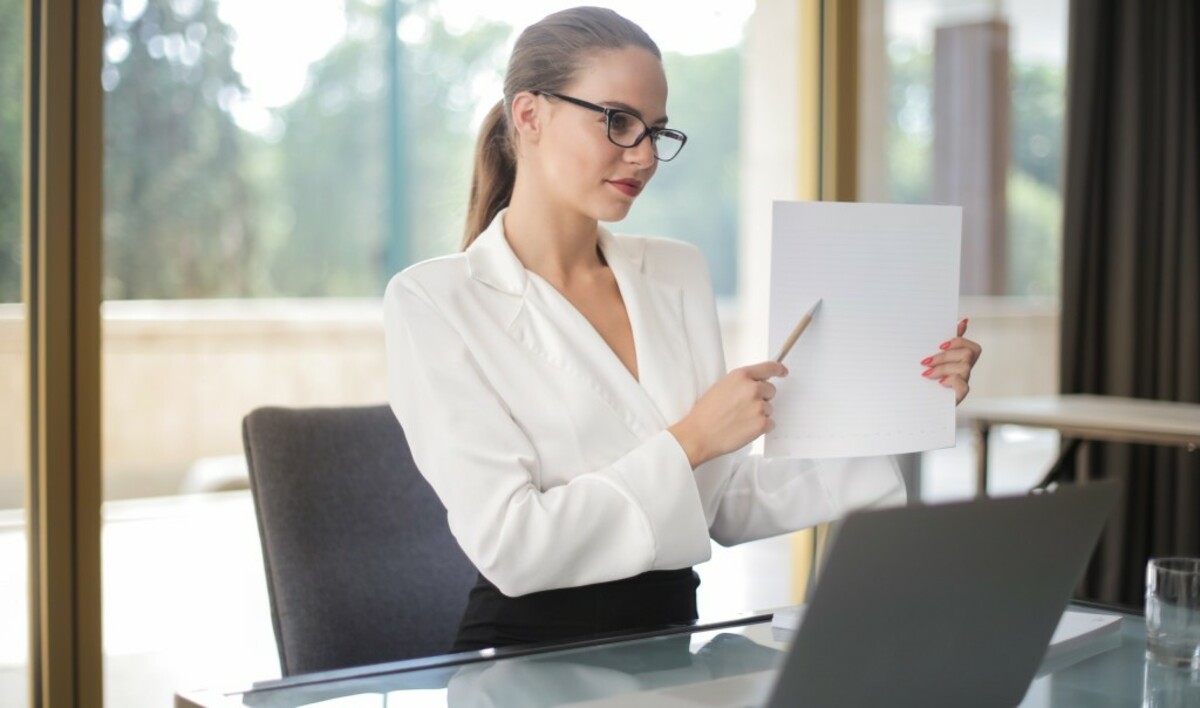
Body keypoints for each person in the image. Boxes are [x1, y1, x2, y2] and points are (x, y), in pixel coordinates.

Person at [384, 6, 982, 652]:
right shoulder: (434, 302)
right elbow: (513, 545)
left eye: (656, 131)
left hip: (672, 645)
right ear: (529, 115)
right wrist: (692, 438)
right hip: (529, 660)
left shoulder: (675, 272)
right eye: (617, 122)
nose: (643, 155)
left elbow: (720, 501)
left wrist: (905, 409)